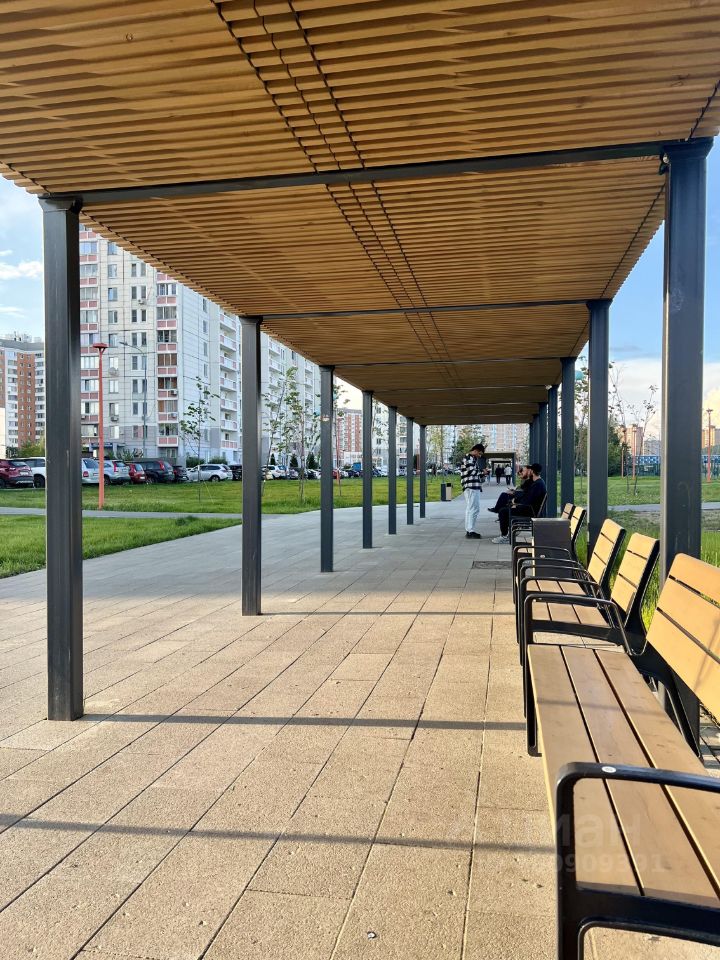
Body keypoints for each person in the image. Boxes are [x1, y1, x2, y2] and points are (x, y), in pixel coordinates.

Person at [492, 462, 547, 544]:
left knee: (503, 511)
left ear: (532, 471)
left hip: (530, 511)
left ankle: (505, 536)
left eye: (529, 470)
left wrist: (515, 503)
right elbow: (527, 497)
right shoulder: (538, 482)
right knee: (505, 509)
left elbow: (528, 500)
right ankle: (509, 533)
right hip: (530, 509)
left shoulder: (537, 484)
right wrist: (516, 501)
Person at [460, 443, 486, 539]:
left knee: (470, 509)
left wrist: (482, 473)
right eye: (479, 453)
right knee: (474, 509)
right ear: (475, 450)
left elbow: (473, 473)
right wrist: (482, 471)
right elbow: (472, 472)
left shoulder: (472, 458)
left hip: (472, 486)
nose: (480, 456)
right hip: (471, 487)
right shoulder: (468, 458)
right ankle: (470, 531)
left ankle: (469, 530)